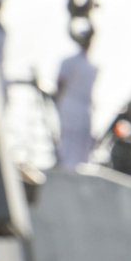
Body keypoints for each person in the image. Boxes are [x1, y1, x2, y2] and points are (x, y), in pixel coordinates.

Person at [54, 29, 97, 167]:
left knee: (83, 146)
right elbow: (60, 85)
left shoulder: (91, 67)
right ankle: (67, 167)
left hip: (84, 109)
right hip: (70, 106)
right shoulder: (68, 62)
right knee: (68, 142)